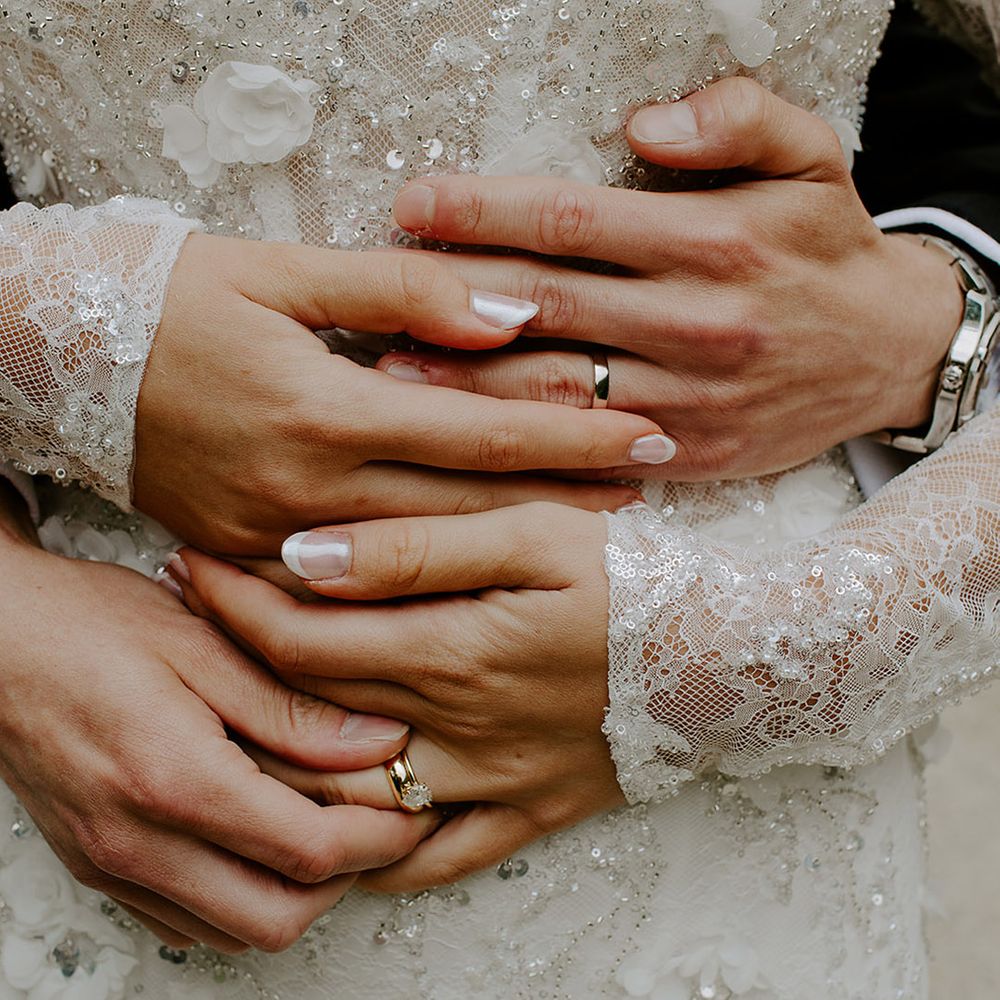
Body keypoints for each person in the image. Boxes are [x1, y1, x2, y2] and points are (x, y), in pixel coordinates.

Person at [0, 2, 997, 999]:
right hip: (110, 761)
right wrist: (45, 340)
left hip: (733, 864)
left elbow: (922, 85)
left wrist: (780, 646)